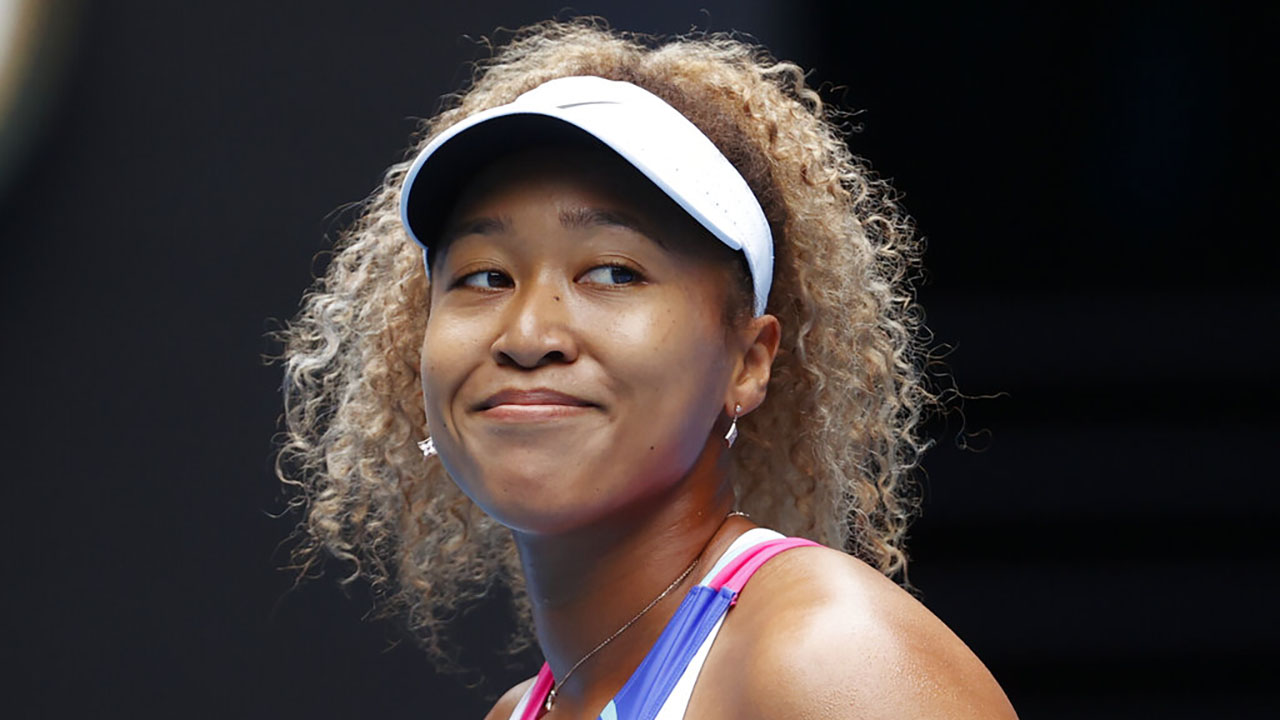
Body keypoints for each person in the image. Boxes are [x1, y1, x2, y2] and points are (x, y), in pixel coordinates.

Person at [276, 19, 1017, 720]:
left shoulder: (828, 658)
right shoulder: (523, 711)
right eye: (484, 277)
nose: (529, 334)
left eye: (613, 272)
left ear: (748, 363)